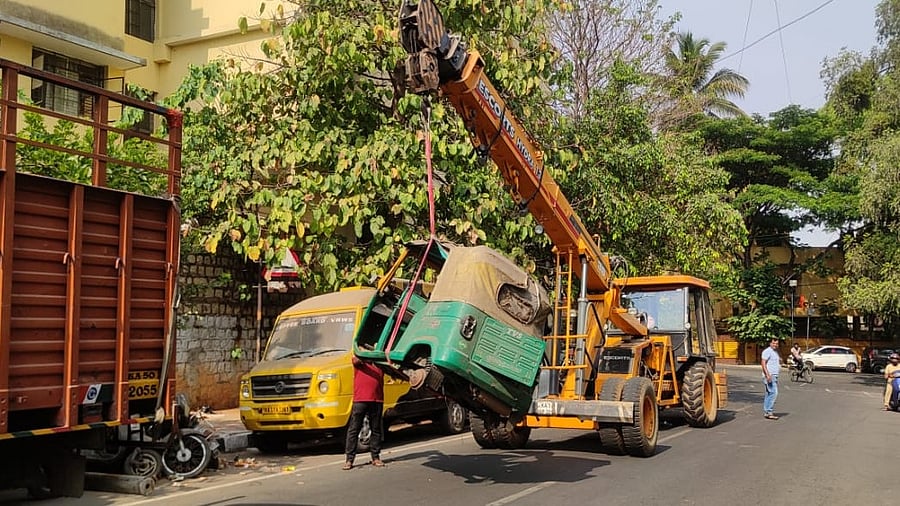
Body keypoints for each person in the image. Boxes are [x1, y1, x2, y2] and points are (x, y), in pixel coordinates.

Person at [344, 353, 385, 470]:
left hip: (377, 399)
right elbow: (356, 361)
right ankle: (349, 460)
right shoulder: (360, 358)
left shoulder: (380, 362)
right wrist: (371, 355)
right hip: (361, 399)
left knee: (376, 429)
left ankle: (375, 457)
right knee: (354, 429)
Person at [761, 338, 781, 420]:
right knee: (774, 393)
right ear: (770, 343)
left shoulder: (775, 352)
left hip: (774, 375)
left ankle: (767, 412)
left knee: (769, 394)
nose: (775, 345)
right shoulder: (767, 351)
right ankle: (769, 412)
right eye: (773, 343)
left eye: (776, 343)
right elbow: (763, 363)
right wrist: (767, 375)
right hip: (770, 376)